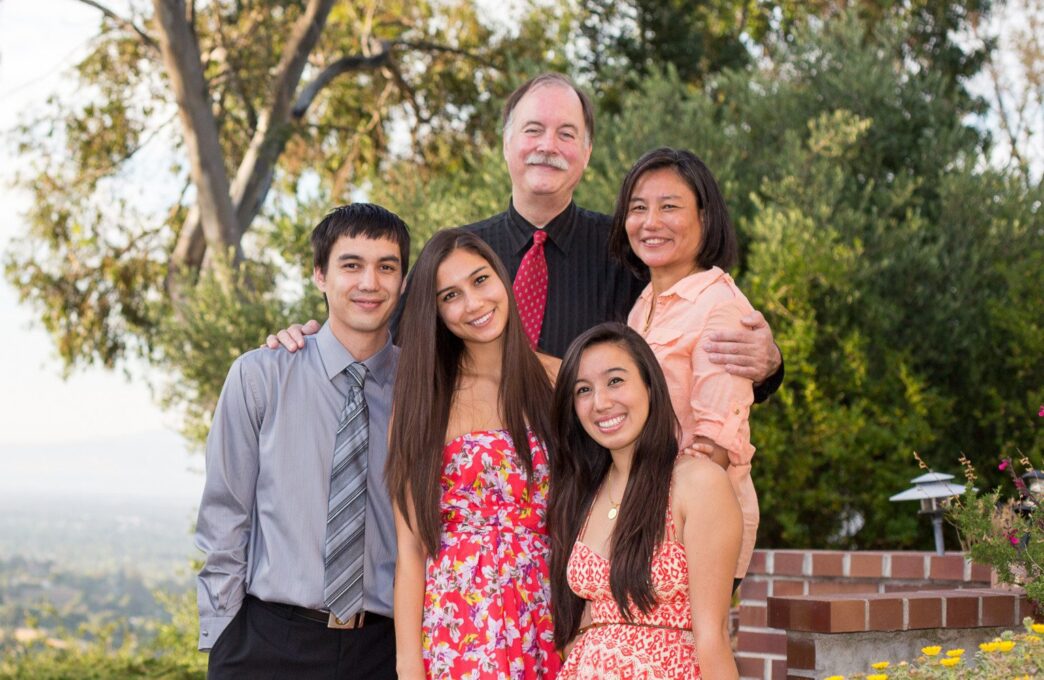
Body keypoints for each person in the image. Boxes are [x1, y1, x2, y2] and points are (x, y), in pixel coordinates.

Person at [266, 72, 784, 407]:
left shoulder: (629, 252)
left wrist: (768, 366)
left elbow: (693, 345)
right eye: (533, 130)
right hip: (478, 496)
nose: (548, 146)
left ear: (586, 151)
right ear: (507, 144)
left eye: (566, 134)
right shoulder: (454, 254)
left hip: (596, 496)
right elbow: (389, 352)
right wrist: (315, 340)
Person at [194, 204, 409, 679]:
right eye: (351, 265)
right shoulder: (261, 375)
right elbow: (225, 514)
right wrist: (223, 633)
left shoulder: (423, 391)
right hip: (267, 643)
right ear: (319, 275)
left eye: (386, 267)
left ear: (402, 281)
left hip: (383, 650)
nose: (369, 282)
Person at [386, 228, 562, 679]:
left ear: (503, 280)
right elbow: (409, 552)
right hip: (459, 625)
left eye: (481, 280)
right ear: (437, 312)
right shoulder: (423, 404)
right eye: (451, 295)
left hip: (552, 612)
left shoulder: (560, 380)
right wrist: (409, 667)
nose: (474, 303)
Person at [549, 322, 740, 679]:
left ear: (650, 386)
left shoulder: (696, 483)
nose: (601, 402)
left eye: (616, 381)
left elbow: (712, 638)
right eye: (583, 390)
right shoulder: (583, 492)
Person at [609, 147, 760, 587]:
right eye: (638, 208)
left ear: (705, 218)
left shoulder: (720, 307)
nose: (650, 222)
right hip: (642, 523)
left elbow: (711, 448)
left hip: (691, 531)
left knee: (696, 654)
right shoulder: (642, 306)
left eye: (669, 206)